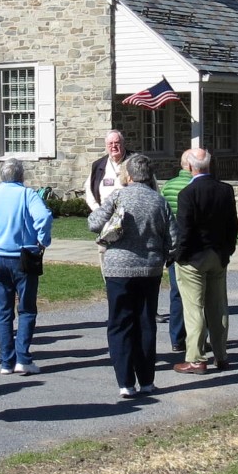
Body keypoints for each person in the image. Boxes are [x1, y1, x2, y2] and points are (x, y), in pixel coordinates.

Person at [87, 154, 172, 399]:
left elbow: (93, 223)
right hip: (149, 269)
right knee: (146, 323)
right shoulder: (159, 201)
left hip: (118, 269)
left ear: (129, 175)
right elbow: (174, 237)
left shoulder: (118, 196)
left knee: (120, 323)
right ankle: (146, 380)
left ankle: (125, 382)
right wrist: (165, 254)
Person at [0, 158, 55, 375]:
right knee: (26, 309)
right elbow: (43, 217)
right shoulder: (27, 195)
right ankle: (23, 357)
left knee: (3, 312)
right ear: (21, 175)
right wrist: (43, 240)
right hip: (24, 257)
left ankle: (6, 361)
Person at [170, 147, 238, 374]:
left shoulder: (187, 194)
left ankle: (196, 359)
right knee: (218, 307)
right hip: (218, 255)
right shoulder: (225, 190)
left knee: (194, 308)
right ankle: (221, 355)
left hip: (193, 258)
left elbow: (185, 231)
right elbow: (233, 226)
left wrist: (179, 255)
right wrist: (227, 251)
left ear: (190, 167)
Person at [158, 160, 193, 352]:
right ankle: (197, 338)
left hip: (173, 245)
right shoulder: (194, 185)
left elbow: (164, 214)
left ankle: (177, 338)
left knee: (177, 293)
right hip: (193, 246)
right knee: (197, 296)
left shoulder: (169, 185)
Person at [83, 130, 129, 211]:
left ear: (123, 143)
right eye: (110, 143)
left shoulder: (136, 161)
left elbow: (152, 188)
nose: (113, 146)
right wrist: (98, 211)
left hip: (132, 216)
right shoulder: (98, 165)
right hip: (106, 217)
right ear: (106, 146)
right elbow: (89, 190)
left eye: (117, 143)